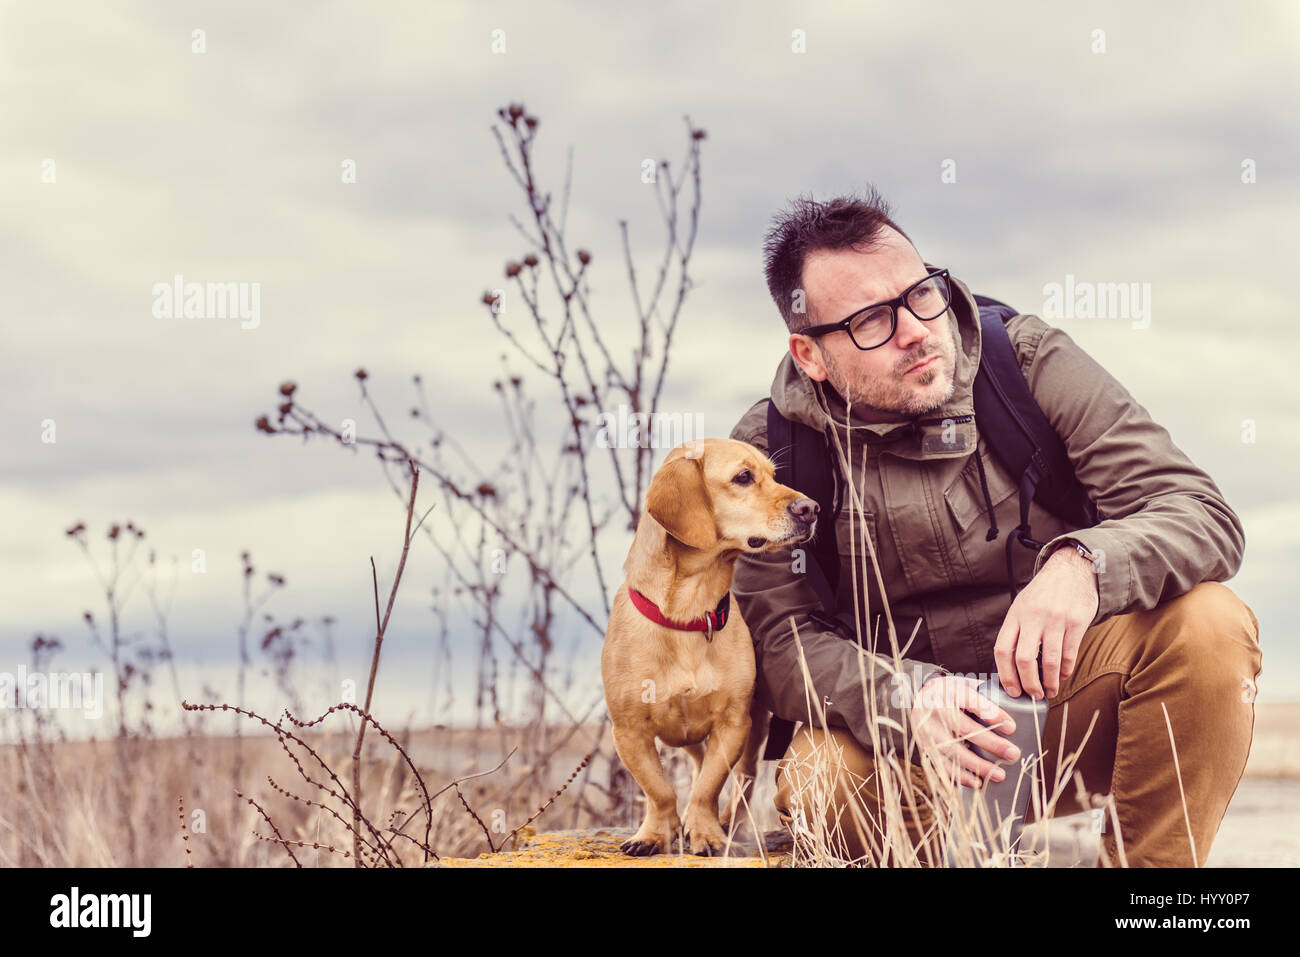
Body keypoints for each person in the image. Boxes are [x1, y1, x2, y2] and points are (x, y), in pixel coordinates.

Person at [729, 189, 1262, 867]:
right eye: (872, 321)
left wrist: (1085, 563)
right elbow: (779, 639)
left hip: (1067, 707)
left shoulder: (1026, 362)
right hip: (904, 745)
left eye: (922, 293)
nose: (917, 329)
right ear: (809, 354)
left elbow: (1199, 512)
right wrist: (904, 695)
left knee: (1208, 624)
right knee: (816, 778)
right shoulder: (771, 455)